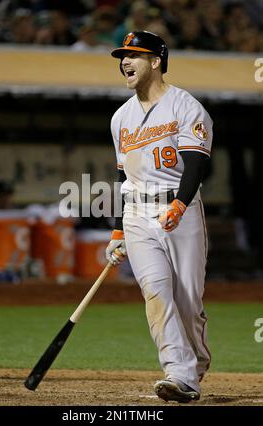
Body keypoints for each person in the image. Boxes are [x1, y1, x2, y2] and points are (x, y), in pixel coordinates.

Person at [105, 31, 213, 403]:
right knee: (156, 292)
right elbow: (123, 179)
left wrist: (180, 205)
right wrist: (118, 230)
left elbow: (196, 165)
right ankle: (179, 374)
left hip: (180, 211)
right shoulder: (121, 118)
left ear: (156, 61)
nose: (125, 61)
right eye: (123, 55)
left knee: (187, 301)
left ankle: (196, 362)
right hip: (138, 212)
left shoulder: (186, 107)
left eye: (135, 54)